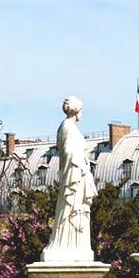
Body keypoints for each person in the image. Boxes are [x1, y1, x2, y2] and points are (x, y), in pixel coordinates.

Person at [41, 96, 98, 262]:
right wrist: (79, 162)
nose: (82, 114)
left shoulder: (69, 127)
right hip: (74, 175)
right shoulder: (67, 127)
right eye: (81, 111)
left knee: (75, 209)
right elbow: (67, 151)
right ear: (77, 111)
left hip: (77, 173)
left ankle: (76, 245)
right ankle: (65, 244)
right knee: (69, 208)